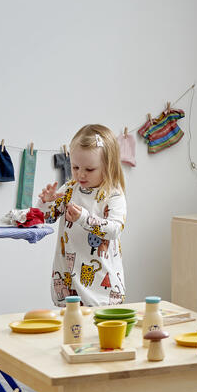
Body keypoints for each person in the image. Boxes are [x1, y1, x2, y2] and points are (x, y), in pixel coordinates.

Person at [39, 123, 127, 308]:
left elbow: (114, 229)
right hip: (69, 282)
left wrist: (84, 219)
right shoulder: (70, 189)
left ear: (108, 166)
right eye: (75, 167)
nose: (80, 174)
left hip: (102, 287)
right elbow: (47, 218)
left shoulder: (113, 194)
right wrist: (45, 203)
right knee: (71, 325)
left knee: (99, 326)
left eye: (89, 169)